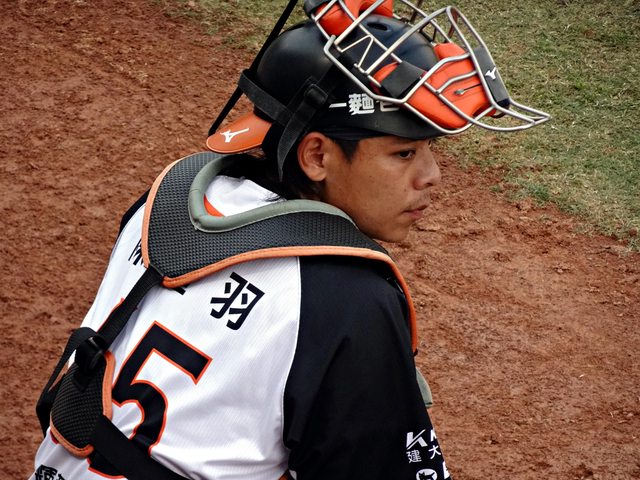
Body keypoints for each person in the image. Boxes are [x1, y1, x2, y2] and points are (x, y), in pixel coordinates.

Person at [30, 1, 549, 479]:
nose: (431, 176)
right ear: (317, 156)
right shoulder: (346, 299)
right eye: (403, 153)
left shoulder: (169, 197)